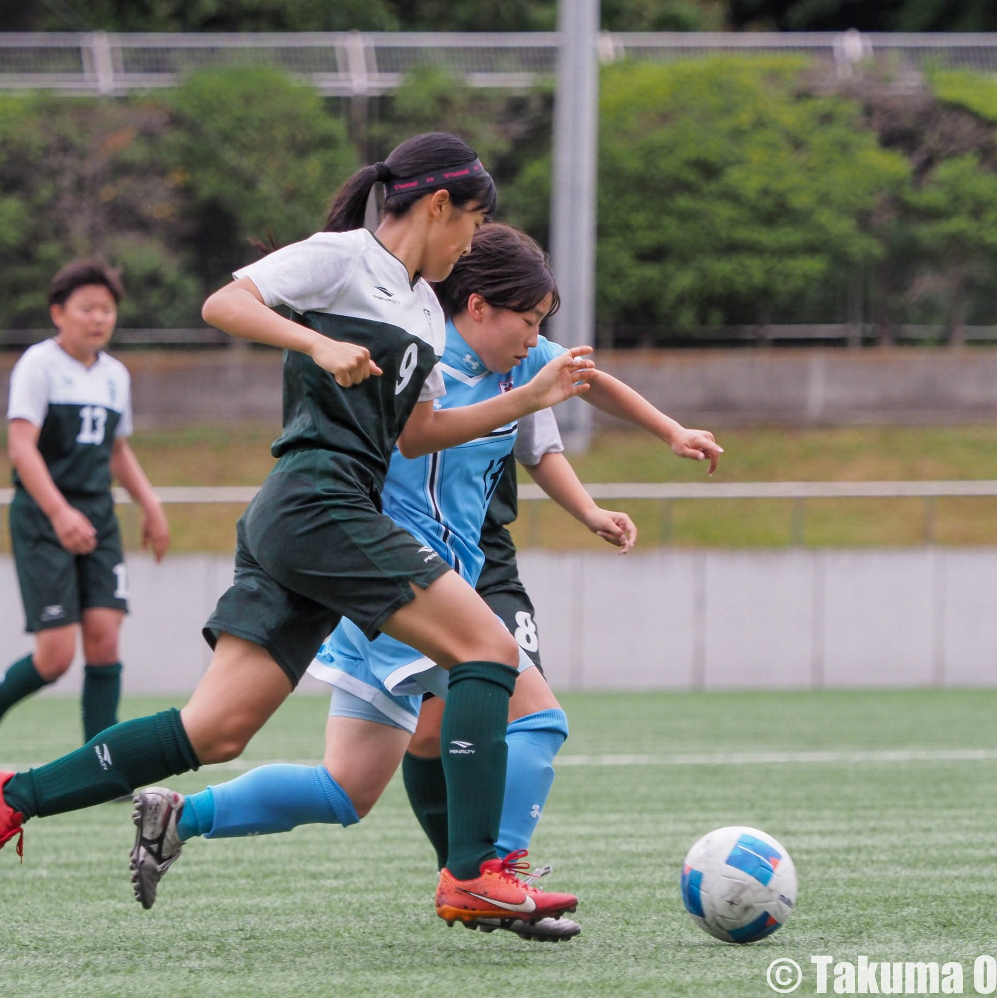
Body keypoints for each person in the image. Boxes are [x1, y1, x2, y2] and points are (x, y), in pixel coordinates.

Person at [0, 133, 595, 933]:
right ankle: (473, 874)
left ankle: (11, 795)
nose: (470, 244)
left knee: (214, 731)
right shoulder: (342, 258)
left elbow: (420, 433)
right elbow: (224, 303)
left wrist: (525, 402)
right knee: (491, 650)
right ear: (438, 206)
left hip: (304, 518)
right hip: (319, 504)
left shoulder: (427, 310)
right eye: (470, 224)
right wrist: (315, 340)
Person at [124, 224, 721, 940]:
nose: (537, 339)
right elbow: (401, 429)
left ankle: (179, 816)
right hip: (398, 580)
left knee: (346, 788)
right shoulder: (424, 354)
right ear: (476, 307)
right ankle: (490, 876)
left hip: (415, 586)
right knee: (536, 718)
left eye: (541, 325)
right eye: (527, 321)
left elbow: (589, 384)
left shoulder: (516, 361)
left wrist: (668, 434)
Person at [0, 259, 170, 775]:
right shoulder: (38, 365)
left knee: (105, 637)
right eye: (87, 308)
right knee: (55, 657)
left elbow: (117, 449)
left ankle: (102, 765)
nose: (98, 318)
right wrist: (58, 512)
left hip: (97, 515)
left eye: (107, 309)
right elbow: (20, 447)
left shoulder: (115, 375)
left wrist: (151, 505)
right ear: (59, 313)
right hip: (42, 514)